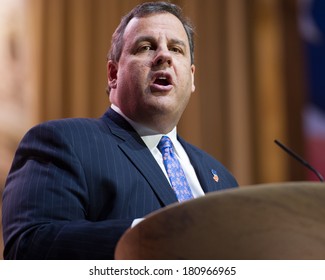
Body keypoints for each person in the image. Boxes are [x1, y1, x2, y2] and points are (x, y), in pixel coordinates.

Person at [2, 1, 238, 260]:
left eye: (176, 49)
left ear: (192, 78)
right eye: (146, 47)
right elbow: (30, 247)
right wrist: (147, 236)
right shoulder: (64, 142)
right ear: (113, 74)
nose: (164, 56)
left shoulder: (223, 179)